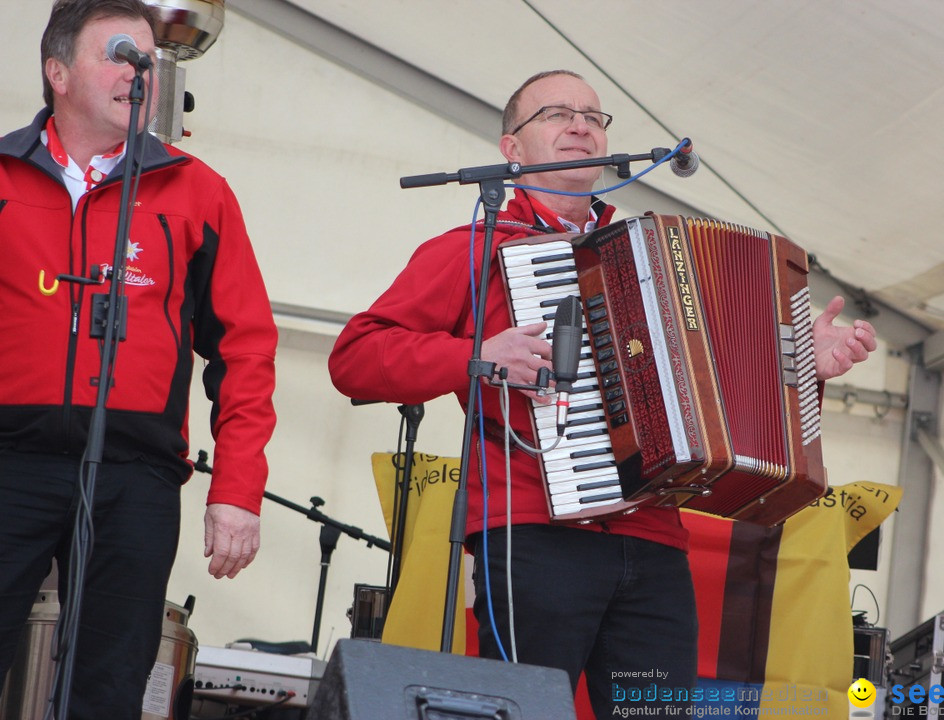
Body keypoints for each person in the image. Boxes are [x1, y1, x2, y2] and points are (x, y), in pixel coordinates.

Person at [329, 69, 876, 718]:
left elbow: (723, 391)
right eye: (557, 114)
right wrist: (476, 358)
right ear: (512, 148)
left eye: (593, 115)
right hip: (533, 534)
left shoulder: (650, 253)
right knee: (525, 711)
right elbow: (355, 358)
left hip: (652, 537)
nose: (581, 124)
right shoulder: (476, 250)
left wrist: (800, 361)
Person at [0, 1, 277, 717]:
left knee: (112, 689)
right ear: (57, 72)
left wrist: (238, 487)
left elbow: (245, 346)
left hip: (136, 480)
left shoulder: (198, 190)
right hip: (8, 464)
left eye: (147, 57)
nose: (139, 70)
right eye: (120, 53)